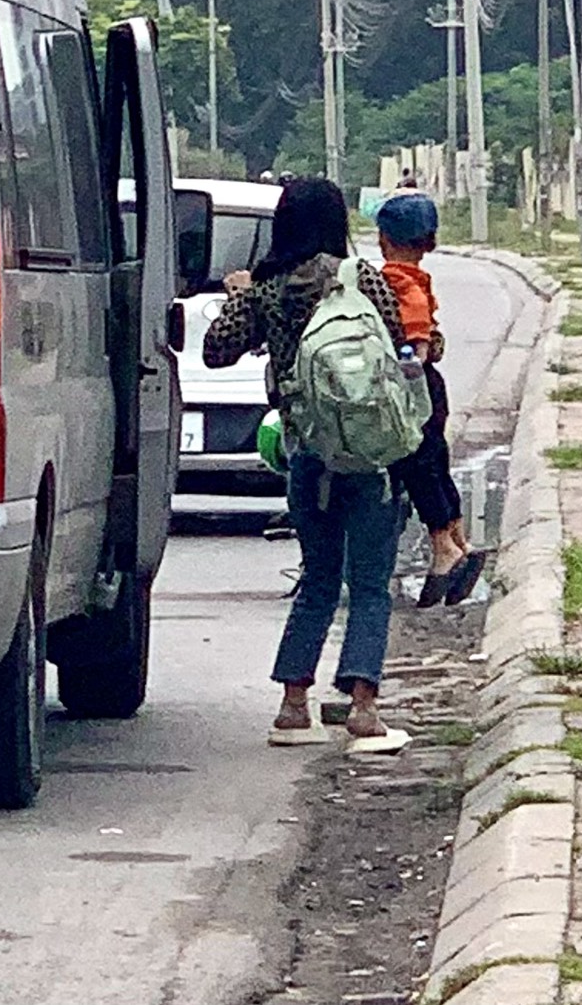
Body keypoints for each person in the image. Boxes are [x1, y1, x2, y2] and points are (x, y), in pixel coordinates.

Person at [203, 175, 413, 754]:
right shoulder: (364, 279)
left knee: (318, 578)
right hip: (372, 458)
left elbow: (215, 351)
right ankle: (365, 709)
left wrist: (240, 297)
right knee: (371, 584)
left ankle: (294, 706)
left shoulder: (269, 290)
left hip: (308, 454)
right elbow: (396, 345)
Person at [374, 192, 485, 608]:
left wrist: (414, 361)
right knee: (435, 461)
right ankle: (458, 540)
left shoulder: (394, 282)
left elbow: (417, 339)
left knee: (417, 463)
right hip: (431, 386)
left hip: (412, 386)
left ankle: (445, 547)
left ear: (384, 238)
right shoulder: (419, 279)